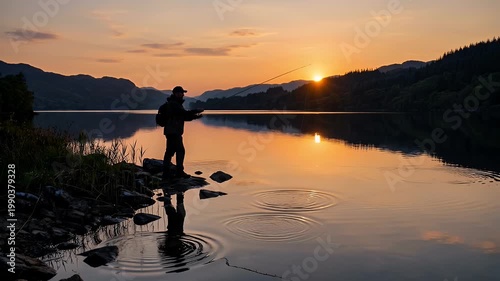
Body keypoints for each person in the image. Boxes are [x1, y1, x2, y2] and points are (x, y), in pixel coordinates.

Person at [158, 86, 203, 179]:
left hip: (171, 131)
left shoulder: (174, 103)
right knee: (180, 151)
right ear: (176, 93)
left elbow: (184, 117)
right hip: (174, 131)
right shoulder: (174, 104)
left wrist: (195, 116)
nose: (183, 94)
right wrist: (195, 111)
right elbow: (184, 114)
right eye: (181, 93)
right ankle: (179, 172)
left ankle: (166, 173)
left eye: (183, 93)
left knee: (169, 151)